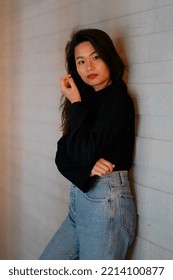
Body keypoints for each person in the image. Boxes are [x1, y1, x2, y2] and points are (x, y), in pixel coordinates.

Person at [39, 28, 137, 260]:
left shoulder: (117, 101)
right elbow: (62, 155)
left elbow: (83, 151)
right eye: (81, 61)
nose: (88, 67)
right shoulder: (86, 103)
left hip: (106, 200)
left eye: (95, 57)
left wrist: (75, 104)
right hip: (81, 201)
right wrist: (88, 168)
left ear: (109, 57)